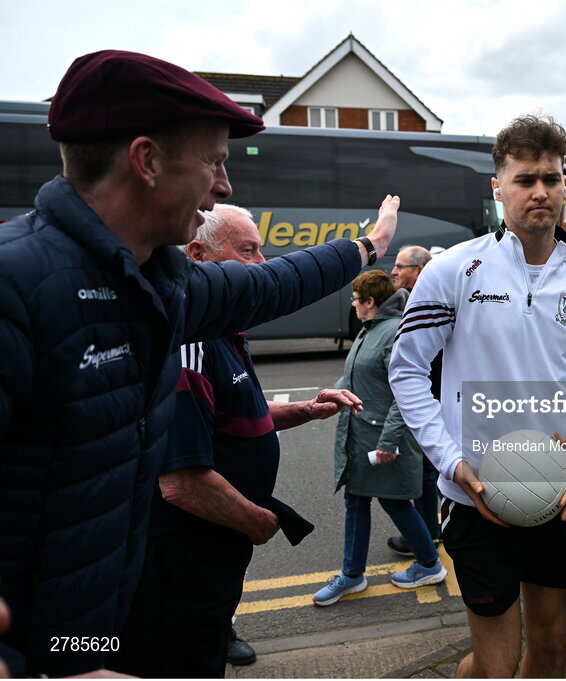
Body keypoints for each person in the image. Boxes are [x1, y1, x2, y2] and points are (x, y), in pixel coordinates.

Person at [0, 50, 398, 678]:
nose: (224, 185)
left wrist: (367, 246)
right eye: (213, 161)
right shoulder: (16, 283)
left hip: (95, 632)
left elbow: (270, 287)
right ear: (147, 160)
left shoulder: (162, 282)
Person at [389, 114, 566, 677]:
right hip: (476, 498)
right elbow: (407, 370)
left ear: (565, 187)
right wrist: (452, 463)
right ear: (498, 187)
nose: (541, 192)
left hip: (559, 496)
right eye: (525, 179)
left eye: (552, 179)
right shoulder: (454, 270)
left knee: (552, 647)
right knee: (495, 664)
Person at [106, 204, 365, 677]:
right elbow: (182, 482)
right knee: (186, 659)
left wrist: (303, 410)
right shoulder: (188, 345)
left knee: (205, 640)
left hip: (211, 550)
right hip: (184, 554)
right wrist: (257, 521)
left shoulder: (223, 329)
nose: (264, 264)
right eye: (249, 250)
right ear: (199, 254)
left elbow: (231, 417)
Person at [313, 270, 446, 604]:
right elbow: (358, 376)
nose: (354, 306)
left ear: (370, 302)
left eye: (357, 300)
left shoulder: (391, 333)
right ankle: (353, 574)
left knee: (395, 503)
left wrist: (387, 442)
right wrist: (334, 393)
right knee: (357, 500)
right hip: (361, 435)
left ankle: (429, 564)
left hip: (380, 438)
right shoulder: (370, 329)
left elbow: (406, 393)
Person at [386, 244, 443, 557]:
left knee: (424, 471)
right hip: (429, 396)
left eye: (400, 266)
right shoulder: (415, 297)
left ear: (419, 270)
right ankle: (430, 532)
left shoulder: (431, 299)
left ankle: (427, 537)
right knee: (426, 470)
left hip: (432, 398)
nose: (394, 271)